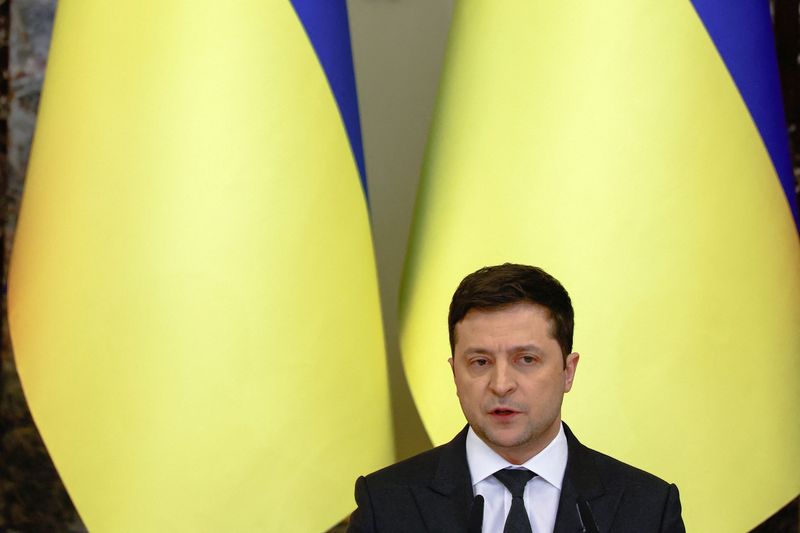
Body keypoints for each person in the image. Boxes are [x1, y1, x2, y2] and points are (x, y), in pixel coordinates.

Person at [347, 263, 685, 533]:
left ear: (568, 371)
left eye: (526, 359)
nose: (501, 384)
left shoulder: (647, 507)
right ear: (454, 374)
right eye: (480, 362)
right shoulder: (387, 504)